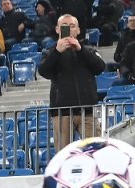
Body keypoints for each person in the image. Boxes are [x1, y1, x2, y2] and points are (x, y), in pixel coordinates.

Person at [38, 14, 105, 151]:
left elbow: (99, 68)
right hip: (62, 112)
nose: (68, 29)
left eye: (72, 26)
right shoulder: (50, 51)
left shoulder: (89, 49)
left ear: (78, 30)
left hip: (87, 111)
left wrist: (80, 50)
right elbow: (44, 71)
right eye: (64, 26)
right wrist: (57, 52)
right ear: (57, 30)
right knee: (64, 155)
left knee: (95, 152)